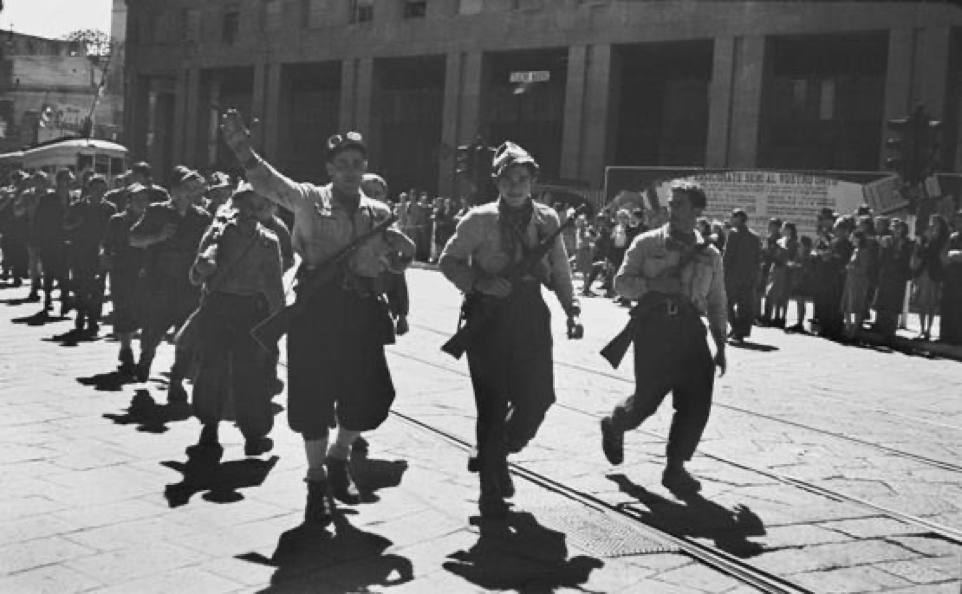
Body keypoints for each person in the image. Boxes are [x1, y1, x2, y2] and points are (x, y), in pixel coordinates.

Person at [220, 112, 413, 527]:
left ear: (365, 168)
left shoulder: (378, 211)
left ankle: (340, 454)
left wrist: (401, 254)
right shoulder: (308, 198)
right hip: (316, 308)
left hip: (361, 309)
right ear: (329, 168)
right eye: (341, 164)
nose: (349, 171)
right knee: (312, 392)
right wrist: (241, 148)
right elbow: (268, 181)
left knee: (374, 393)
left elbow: (394, 261)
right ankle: (315, 476)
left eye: (356, 164)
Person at [438, 141, 582, 518]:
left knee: (539, 398)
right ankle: (490, 482)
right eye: (507, 179)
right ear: (497, 181)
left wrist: (572, 309)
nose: (515, 186)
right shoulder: (478, 219)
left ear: (533, 181)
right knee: (491, 403)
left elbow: (560, 267)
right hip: (488, 317)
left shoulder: (547, 219)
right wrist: (480, 283)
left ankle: (497, 451)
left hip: (531, 314)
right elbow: (448, 261)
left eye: (522, 179)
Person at [600, 179, 727, 495]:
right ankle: (616, 423)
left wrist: (721, 344)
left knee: (697, 401)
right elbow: (621, 283)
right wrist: (653, 286)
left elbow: (717, 301)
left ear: (697, 210)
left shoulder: (709, 255)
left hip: (690, 331)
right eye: (671, 203)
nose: (672, 209)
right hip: (654, 330)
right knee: (646, 401)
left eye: (680, 204)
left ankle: (675, 467)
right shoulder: (646, 243)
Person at [187, 186, 285, 457]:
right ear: (236, 207)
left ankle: (254, 434)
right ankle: (209, 426)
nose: (251, 213)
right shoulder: (217, 233)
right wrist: (201, 268)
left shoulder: (269, 241)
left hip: (250, 311)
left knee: (251, 373)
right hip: (218, 307)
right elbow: (195, 277)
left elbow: (274, 285)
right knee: (211, 369)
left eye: (258, 207)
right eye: (246, 206)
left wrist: (280, 320)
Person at [129, 167, 212, 397]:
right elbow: (133, 238)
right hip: (160, 284)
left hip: (190, 285)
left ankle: (176, 380)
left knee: (186, 336)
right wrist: (157, 237)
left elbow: (213, 246)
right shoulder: (156, 212)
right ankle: (146, 359)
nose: (190, 193)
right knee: (152, 330)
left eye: (193, 189)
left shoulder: (202, 217)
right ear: (173, 190)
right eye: (186, 188)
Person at [103, 184, 151, 375]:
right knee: (123, 309)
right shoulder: (117, 220)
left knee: (143, 310)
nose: (142, 203)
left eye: (145, 199)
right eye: (137, 199)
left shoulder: (151, 220)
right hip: (122, 271)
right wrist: (106, 258)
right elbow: (108, 244)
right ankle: (126, 348)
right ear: (128, 201)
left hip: (146, 272)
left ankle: (142, 351)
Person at [63, 175, 117, 334]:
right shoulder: (77, 206)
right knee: (80, 286)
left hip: (100, 253)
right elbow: (65, 225)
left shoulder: (110, 208)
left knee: (98, 288)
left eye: (102, 189)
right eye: (96, 189)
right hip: (80, 252)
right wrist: (76, 224)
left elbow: (115, 230)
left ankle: (93, 319)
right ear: (89, 189)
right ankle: (81, 313)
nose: (99, 193)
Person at [33, 169, 75, 315]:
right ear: (58, 182)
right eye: (65, 180)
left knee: (65, 273)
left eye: (69, 180)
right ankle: (48, 298)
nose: (67, 183)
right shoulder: (47, 200)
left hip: (68, 242)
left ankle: (65, 299)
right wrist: (37, 243)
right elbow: (37, 222)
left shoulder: (74, 198)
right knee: (49, 272)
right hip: (49, 242)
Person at [722, 209, 760, 343]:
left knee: (726, 302)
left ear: (739, 218)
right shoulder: (755, 236)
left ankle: (735, 327)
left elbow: (728, 255)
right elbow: (757, 258)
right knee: (745, 305)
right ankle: (742, 331)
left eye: (733, 217)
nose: (731, 219)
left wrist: (722, 271)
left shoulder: (734, 233)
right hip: (748, 276)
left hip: (733, 276)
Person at [911, 215, 949, 342]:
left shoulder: (943, 240)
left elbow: (941, 257)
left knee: (931, 304)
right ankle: (922, 330)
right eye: (931, 223)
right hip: (923, 273)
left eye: (935, 223)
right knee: (922, 303)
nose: (932, 226)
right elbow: (920, 254)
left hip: (934, 274)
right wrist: (923, 242)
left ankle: (929, 329)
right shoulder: (926, 238)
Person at [940, 210, 962, 345]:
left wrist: (956, 255)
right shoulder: (953, 236)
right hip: (950, 276)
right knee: (948, 305)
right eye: (958, 219)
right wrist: (949, 257)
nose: (959, 222)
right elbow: (943, 254)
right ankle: (946, 336)